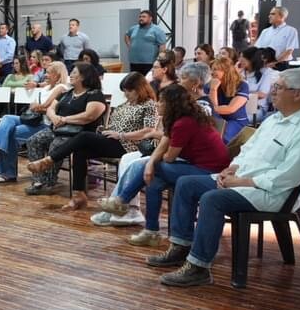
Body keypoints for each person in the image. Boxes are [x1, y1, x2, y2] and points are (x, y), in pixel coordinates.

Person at [149, 68, 300, 287]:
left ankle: (198, 267)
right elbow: (248, 150)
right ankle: (181, 246)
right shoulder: (274, 120)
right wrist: (231, 169)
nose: (272, 92)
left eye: (278, 88)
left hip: (270, 193)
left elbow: (287, 177)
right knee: (186, 184)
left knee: (213, 199)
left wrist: (240, 181)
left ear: (297, 94)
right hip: (241, 180)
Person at [97, 84, 230, 246]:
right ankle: (150, 231)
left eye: (161, 101)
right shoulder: (178, 119)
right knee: (153, 179)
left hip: (210, 172)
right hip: (197, 165)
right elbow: (164, 145)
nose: (157, 104)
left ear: (172, 104)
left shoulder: (184, 123)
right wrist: (151, 162)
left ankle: (121, 200)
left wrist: (151, 164)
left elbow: (168, 158)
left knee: (152, 168)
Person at [27, 72, 158, 210]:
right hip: (114, 140)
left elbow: (148, 131)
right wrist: (105, 130)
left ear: (139, 89)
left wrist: (121, 135)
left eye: (129, 91)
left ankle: (49, 160)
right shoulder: (127, 104)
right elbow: (115, 126)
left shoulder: (149, 105)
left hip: (130, 145)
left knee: (84, 136)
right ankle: (78, 196)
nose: (126, 94)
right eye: (125, 91)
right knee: (80, 150)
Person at [23, 63, 107, 198]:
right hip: (58, 127)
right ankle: (38, 181)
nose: (71, 76)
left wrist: (65, 119)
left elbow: (89, 116)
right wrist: (54, 117)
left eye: (74, 73)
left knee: (56, 145)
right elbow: (50, 108)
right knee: (33, 140)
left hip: (78, 133)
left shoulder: (94, 94)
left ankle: (48, 182)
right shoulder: (67, 93)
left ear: (84, 76)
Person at [0, 62, 70, 183]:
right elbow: (33, 105)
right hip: (34, 119)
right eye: (45, 72)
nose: (45, 75)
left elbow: (47, 106)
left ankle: (7, 173)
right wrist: (39, 106)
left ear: (57, 75)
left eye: (49, 73)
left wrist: (40, 106)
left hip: (45, 125)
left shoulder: (61, 88)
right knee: (7, 118)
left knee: (11, 132)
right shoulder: (46, 88)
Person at [207, 58, 249, 143]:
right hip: (215, 119)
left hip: (235, 120)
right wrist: (213, 88)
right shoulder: (210, 84)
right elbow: (211, 108)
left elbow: (230, 109)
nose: (212, 72)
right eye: (211, 69)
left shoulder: (242, 85)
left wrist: (213, 90)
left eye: (215, 69)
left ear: (225, 71)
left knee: (221, 138)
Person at [255, 6, 299, 70]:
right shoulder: (265, 31)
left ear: (282, 16)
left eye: (273, 14)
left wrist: (275, 62)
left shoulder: (291, 31)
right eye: (269, 14)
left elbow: (289, 51)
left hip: (280, 66)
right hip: (263, 65)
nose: (269, 16)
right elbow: (257, 48)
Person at [124, 10, 168, 74]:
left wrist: (159, 60)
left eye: (144, 17)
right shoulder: (134, 28)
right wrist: (129, 44)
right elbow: (127, 35)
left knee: (148, 81)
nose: (141, 18)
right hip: (134, 62)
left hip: (149, 63)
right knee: (135, 82)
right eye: (140, 17)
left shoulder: (157, 30)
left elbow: (162, 46)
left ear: (150, 18)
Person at [239, 47, 275, 121]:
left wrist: (241, 93)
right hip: (238, 106)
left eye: (243, 58)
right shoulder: (240, 71)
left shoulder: (266, 72)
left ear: (251, 60)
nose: (240, 60)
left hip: (255, 108)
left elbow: (262, 94)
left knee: (238, 120)